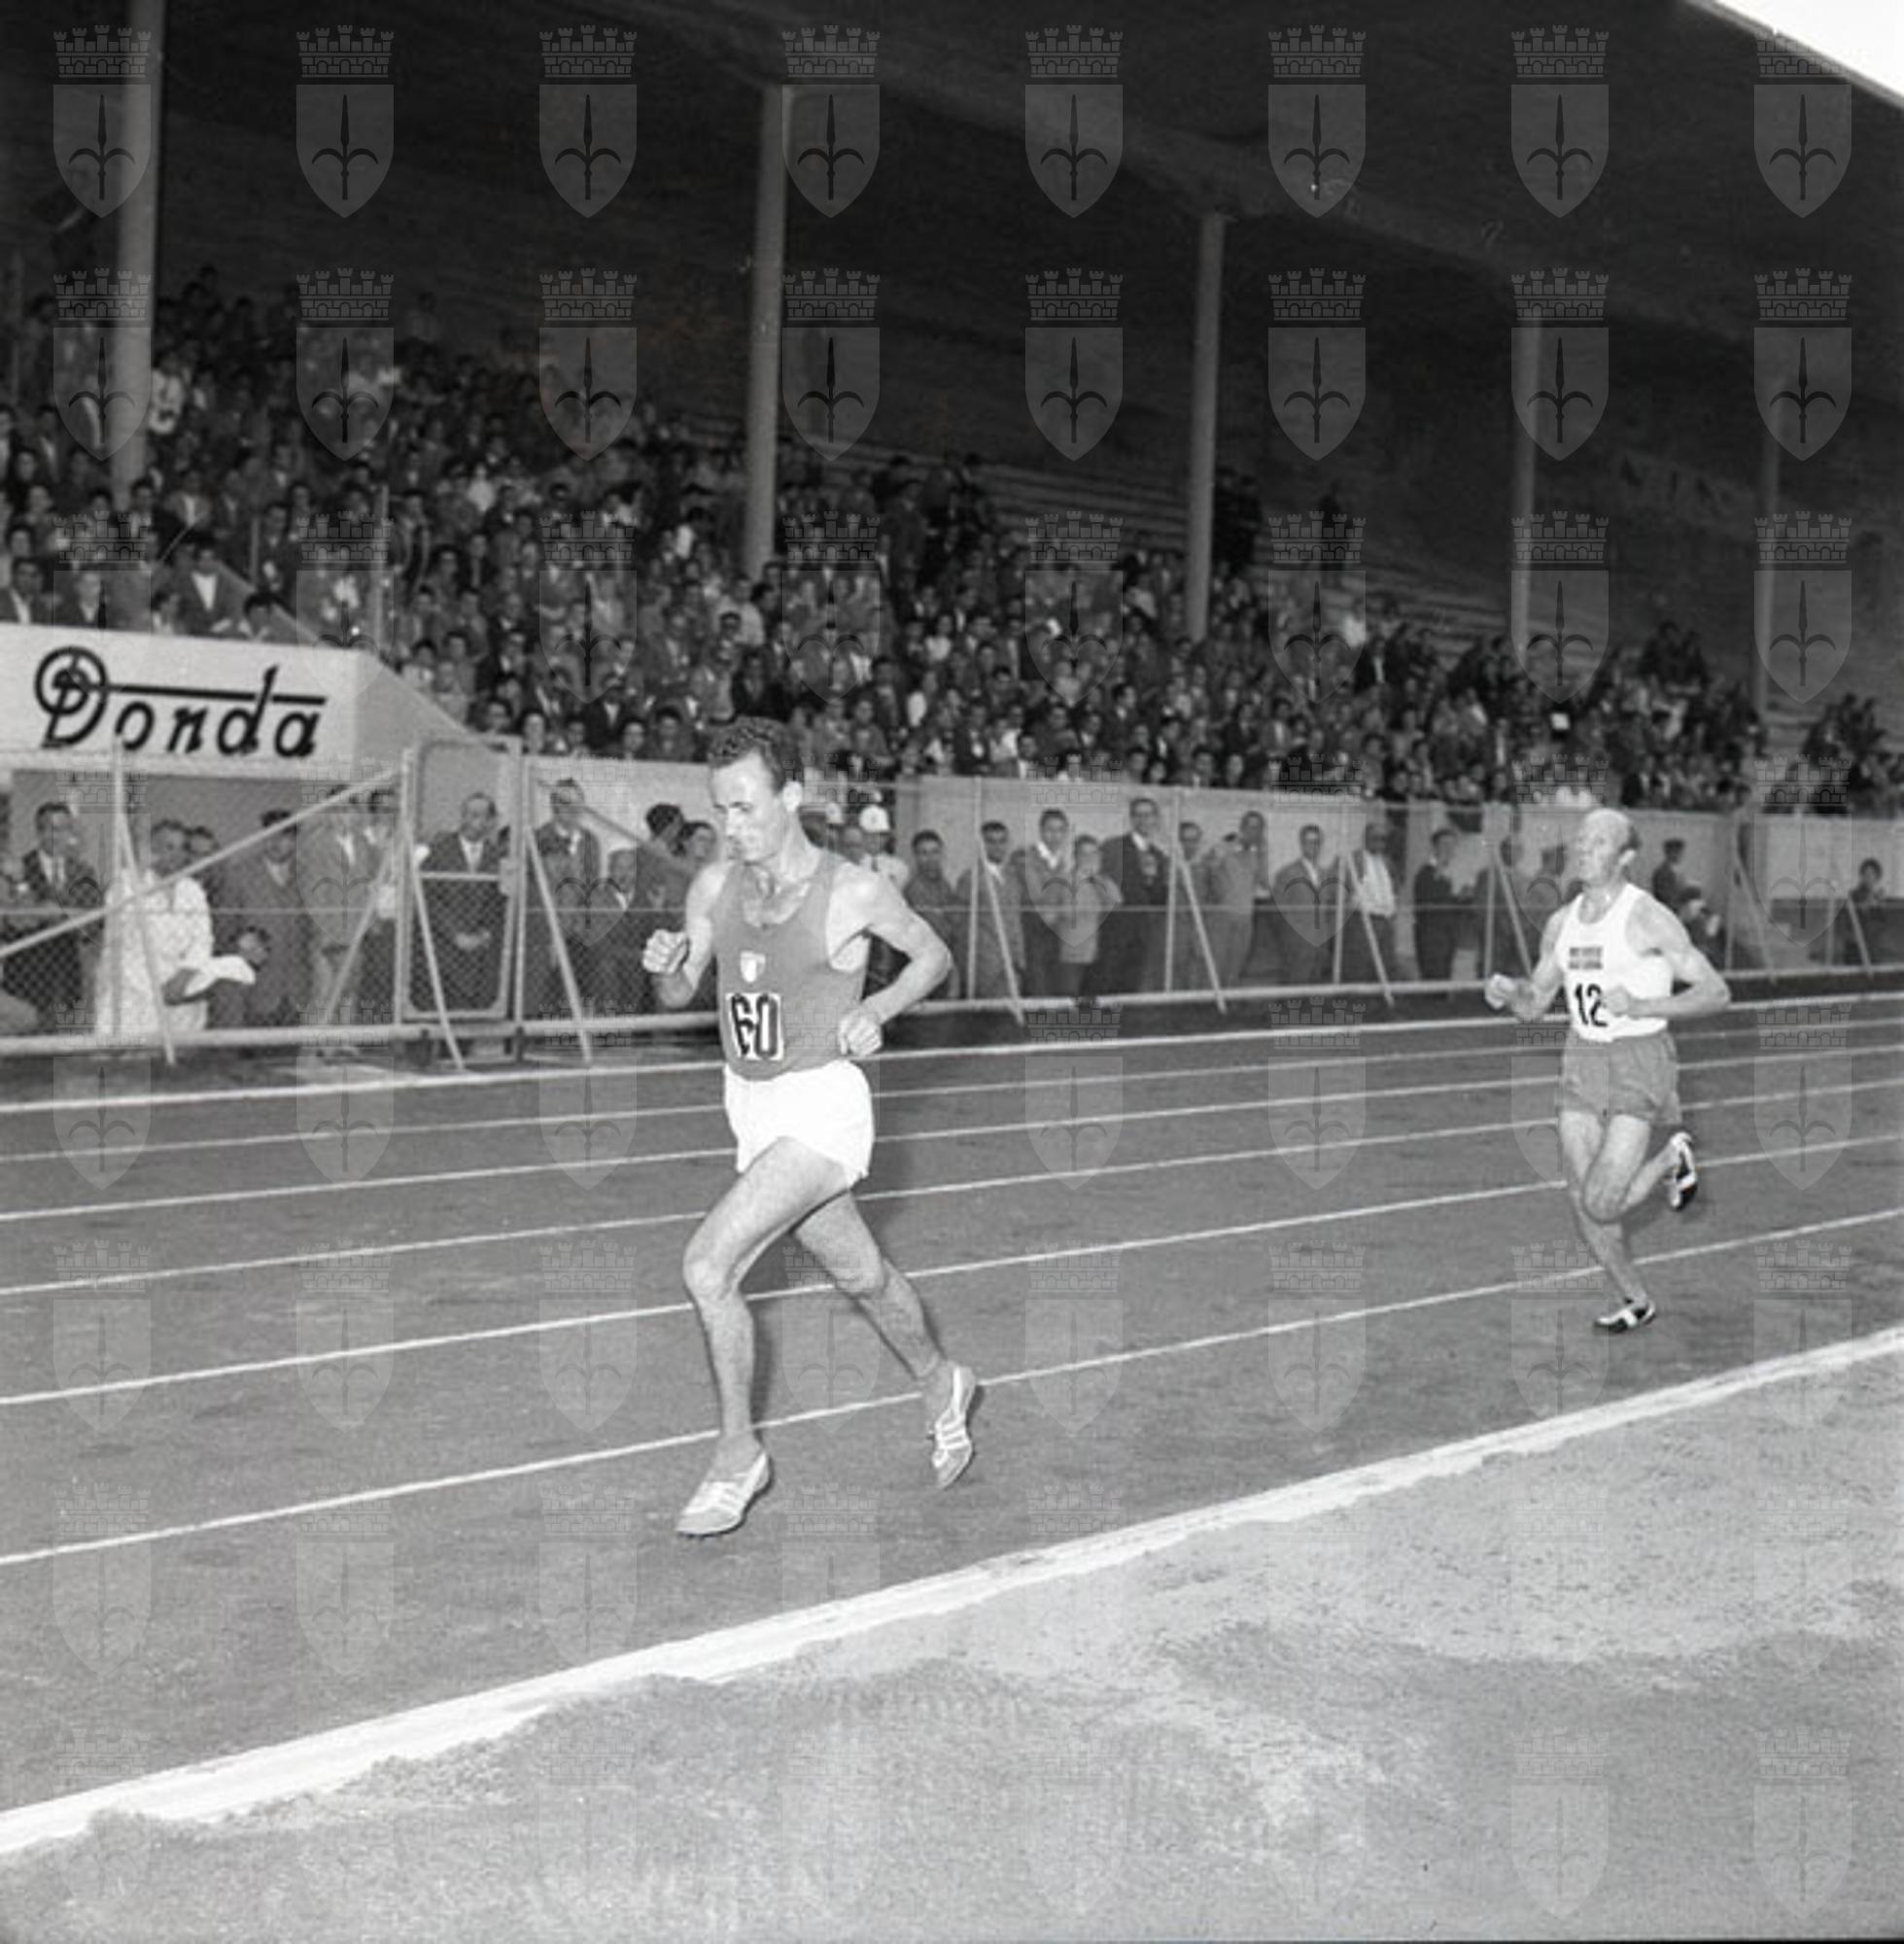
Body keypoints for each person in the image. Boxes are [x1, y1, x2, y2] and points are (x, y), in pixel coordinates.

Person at [640, 716, 978, 1538]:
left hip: (823, 1103)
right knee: (861, 1276)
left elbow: (933, 955)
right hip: (751, 1106)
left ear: (791, 796)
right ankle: (941, 1381)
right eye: (721, 809)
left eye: (746, 807)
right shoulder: (713, 888)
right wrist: (667, 970)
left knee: (708, 1267)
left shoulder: (850, 890)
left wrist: (878, 1008)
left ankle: (737, 1457)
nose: (731, 826)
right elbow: (681, 994)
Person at [1484, 807, 1728, 1332]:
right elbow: (1535, 1004)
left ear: (1625, 857)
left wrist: (1642, 1006)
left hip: (1639, 1058)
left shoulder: (1648, 917)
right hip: (1582, 1057)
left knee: (1602, 1200)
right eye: (1581, 840)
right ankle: (1636, 1300)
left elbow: (1715, 992)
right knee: (1583, 1201)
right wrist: (1510, 993)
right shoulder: (1561, 923)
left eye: (1598, 842)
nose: (1583, 849)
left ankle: (1671, 1156)